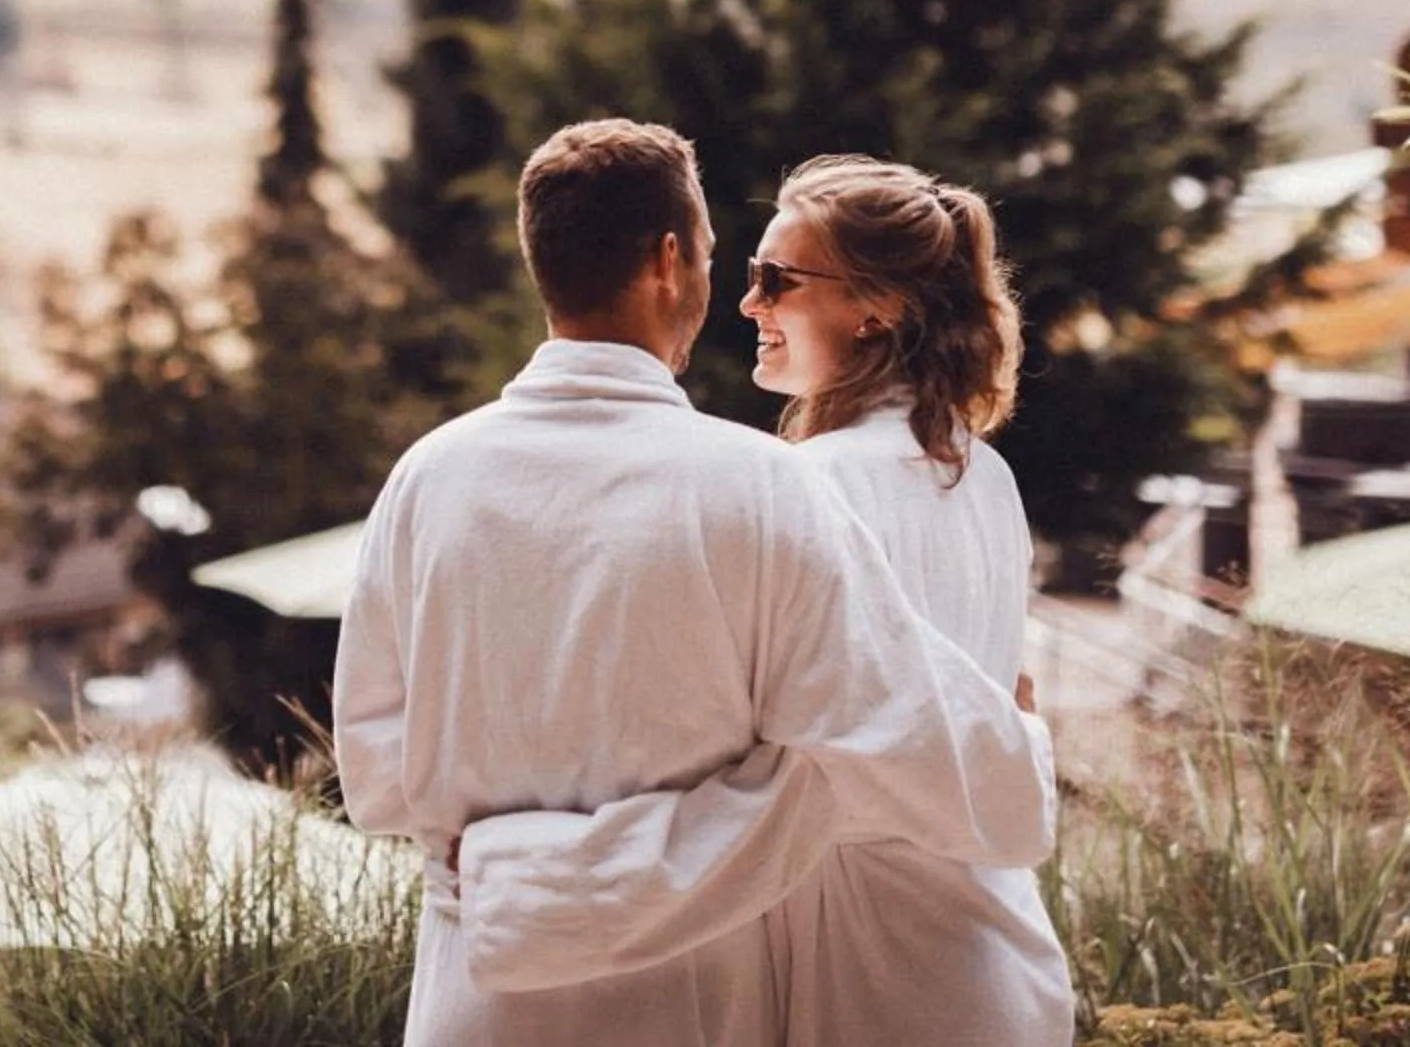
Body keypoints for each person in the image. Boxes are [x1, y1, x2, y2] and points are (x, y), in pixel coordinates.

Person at [332, 121, 1055, 1046]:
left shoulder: (426, 475)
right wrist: (1021, 743)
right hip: (692, 999)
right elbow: (875, 750)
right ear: (671, 262)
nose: (743, 299)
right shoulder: (765, 484)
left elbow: (378, 782)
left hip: (469, 995)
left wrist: (511, 871)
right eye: (730, 262)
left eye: (773, 278)